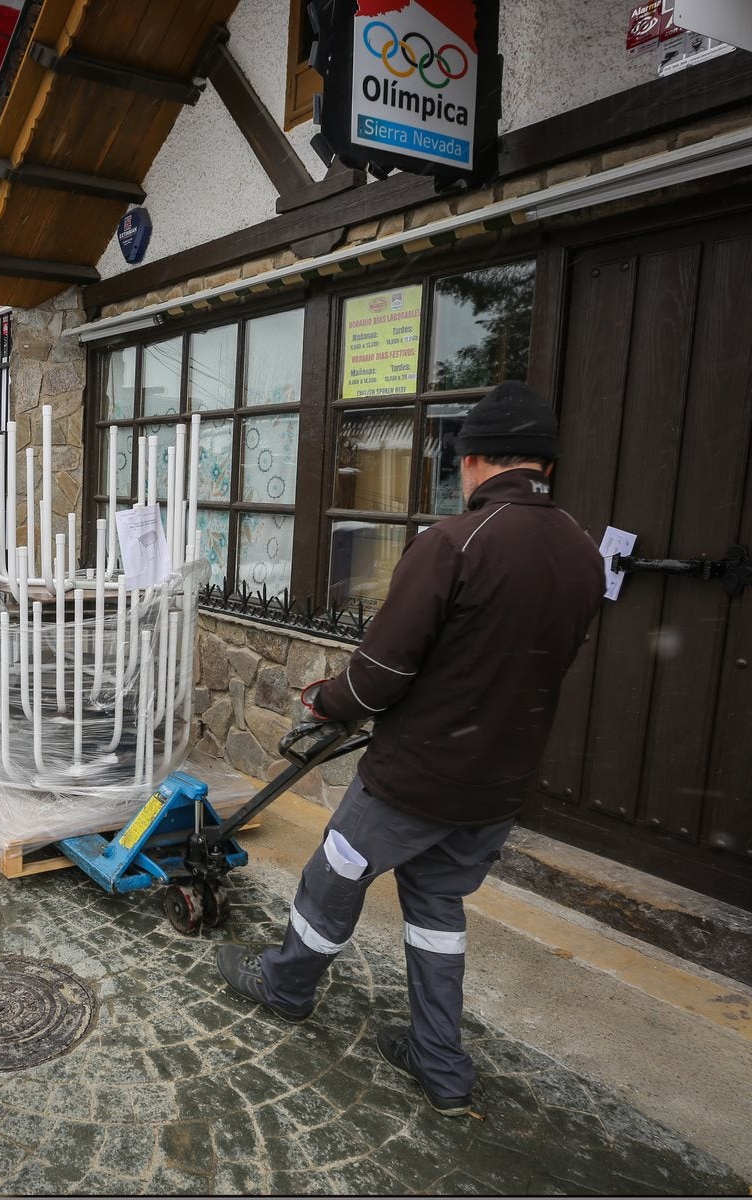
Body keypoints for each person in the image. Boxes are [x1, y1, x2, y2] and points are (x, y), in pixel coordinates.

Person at [215, 381, 605, 1117]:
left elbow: (382, 675)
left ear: (474, 461)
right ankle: (438, 1064)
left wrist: (326, 700)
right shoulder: (583, 553)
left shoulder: (454, 544)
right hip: (496, 785)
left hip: (415, 777)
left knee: (333, 877)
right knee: (436, 909)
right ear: (544, 468)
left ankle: (286, 985)